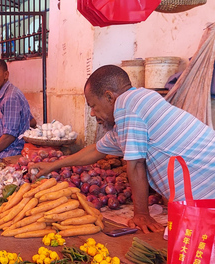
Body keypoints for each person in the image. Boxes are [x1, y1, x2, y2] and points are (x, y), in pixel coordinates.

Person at [31, 65, 215, 233]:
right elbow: (96, 150)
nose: (93, 113)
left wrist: (141, 214)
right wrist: (53, 166)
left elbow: (135, 165)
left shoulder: (127, 107)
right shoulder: (138, 102)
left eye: (93, 106)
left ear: (110, 96)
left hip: (208, 187)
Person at [0, 59, 36, 159]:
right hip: (2, 150)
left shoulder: (10, 97)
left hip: (9, 153)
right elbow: (32, 121)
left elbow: (9, 137)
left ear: (6, 75)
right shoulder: (5, 94)